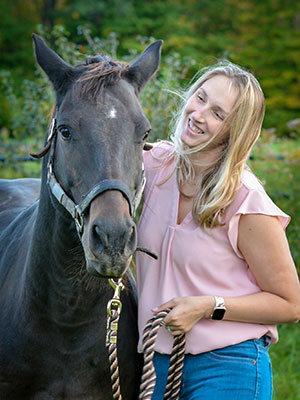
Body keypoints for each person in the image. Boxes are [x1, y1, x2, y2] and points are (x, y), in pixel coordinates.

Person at [135, 60, 300, 400]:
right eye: (200, 98)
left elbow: (289, 304)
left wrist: (208, 306)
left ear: (233, 131)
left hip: (229, 364)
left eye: (218, 114)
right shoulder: (154, 167)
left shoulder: (245, 199)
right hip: (156, 366)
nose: (198, 114)